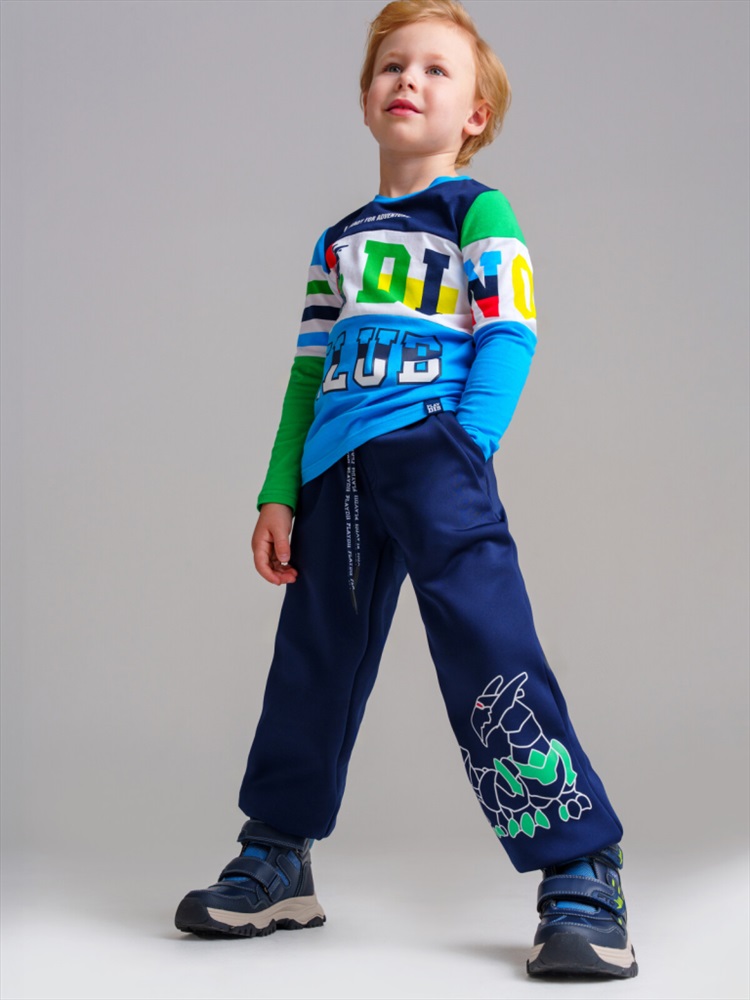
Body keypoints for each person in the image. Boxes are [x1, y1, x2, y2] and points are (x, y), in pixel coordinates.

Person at [175, 0, 637, 979]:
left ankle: (580, 865)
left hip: (435, 451)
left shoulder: (476, 211)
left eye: (434, 69)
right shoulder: (336, 242)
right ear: (365, 98)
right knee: (314, 659)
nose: (407, 81)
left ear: (474, 114)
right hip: (334, 469)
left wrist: (465, 445)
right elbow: (307, 372)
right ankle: (279, 853)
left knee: (488, 651)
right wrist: (278, 490)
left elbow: (510, 331)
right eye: (391, 66)